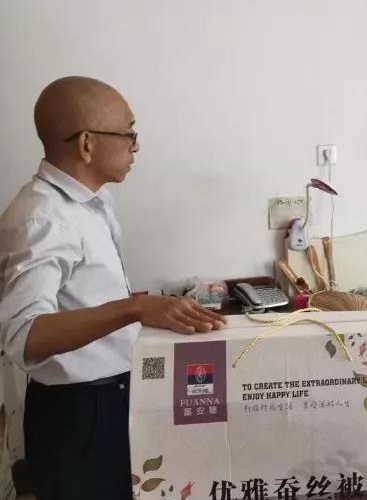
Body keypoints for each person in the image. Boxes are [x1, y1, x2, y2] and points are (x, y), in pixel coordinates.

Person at [0, 76, 225, 500]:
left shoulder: (91, 203)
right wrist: (133, 309)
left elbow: (83, 297)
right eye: (128, 134)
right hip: (78, 413)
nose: (135, 147)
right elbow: (24, 335)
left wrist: (149, 308)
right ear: (87, 144)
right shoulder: (43, 217)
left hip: (112, 397)